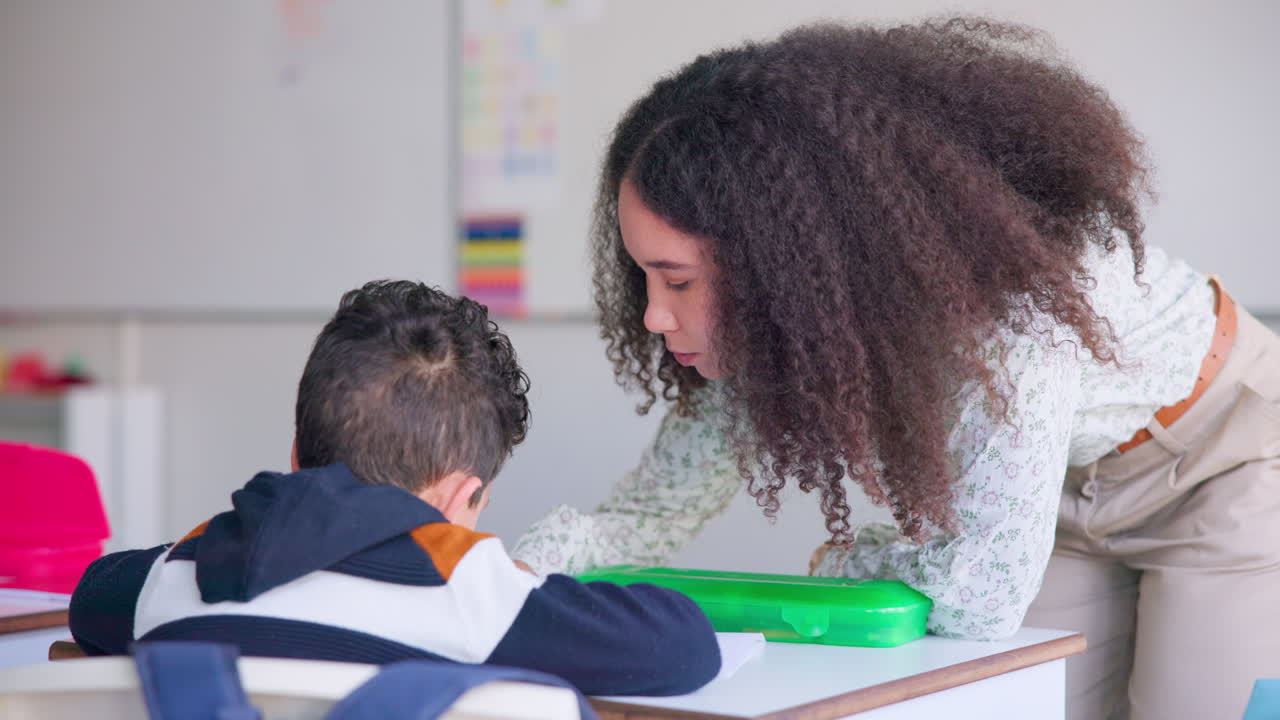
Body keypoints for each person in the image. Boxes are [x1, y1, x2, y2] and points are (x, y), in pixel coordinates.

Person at [509, 18, 1280, 720]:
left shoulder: (1010, 322)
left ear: (780, 263)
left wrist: (856, 557)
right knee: (1010, 702)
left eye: (678, 281)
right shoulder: (779, 326)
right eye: (643, 276)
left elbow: (980, 596)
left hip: (1223, 460)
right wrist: (502, 568)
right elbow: (648, 516)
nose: (653, 315)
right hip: (1070, 487)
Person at [69, 280, 721, 697]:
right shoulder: (470, 593)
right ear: (459, 499)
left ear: (297, 455)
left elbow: (90, 595)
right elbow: (685, 646)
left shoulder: (174, 575)